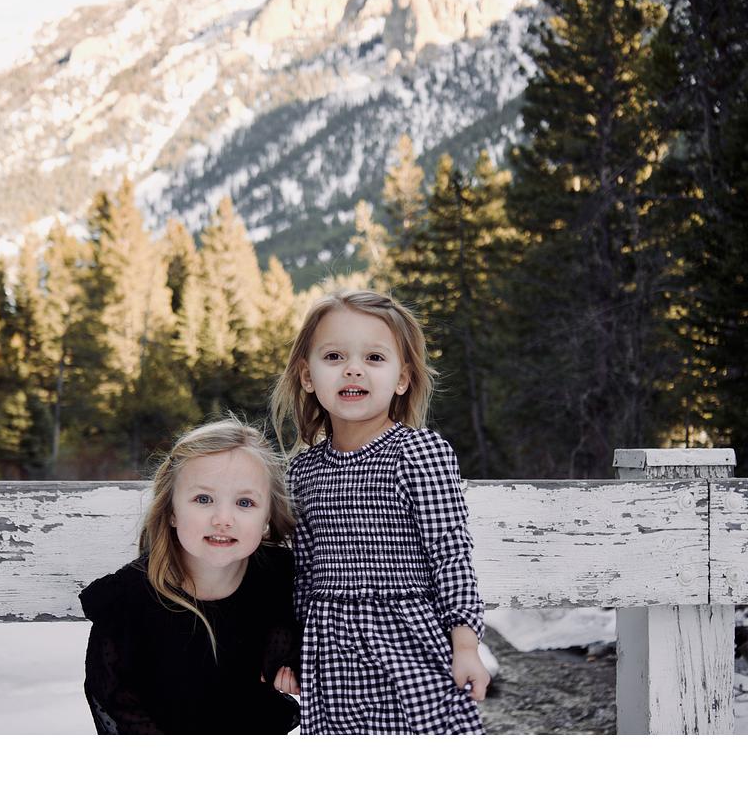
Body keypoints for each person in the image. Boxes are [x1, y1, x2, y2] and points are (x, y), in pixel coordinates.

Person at [271, 289, 490, 735]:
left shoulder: (418, 453)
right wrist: (292, 648)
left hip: (406, 640)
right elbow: (304, 571)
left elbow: (450, 553)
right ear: (308, 376)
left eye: (373, 357)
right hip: (330, 651)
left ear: (402, 378)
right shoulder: (303, 471)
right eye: (334, 356)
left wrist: (466, 644)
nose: (353, 369)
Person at [79, 417, 301, 734]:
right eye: (203, 499)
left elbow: (304, 640)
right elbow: (113, 696)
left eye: (245, 502)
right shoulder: (129, 599)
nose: (223, 519)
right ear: (171, 510)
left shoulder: (281, 579)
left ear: (267, 517)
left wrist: (291, 662)